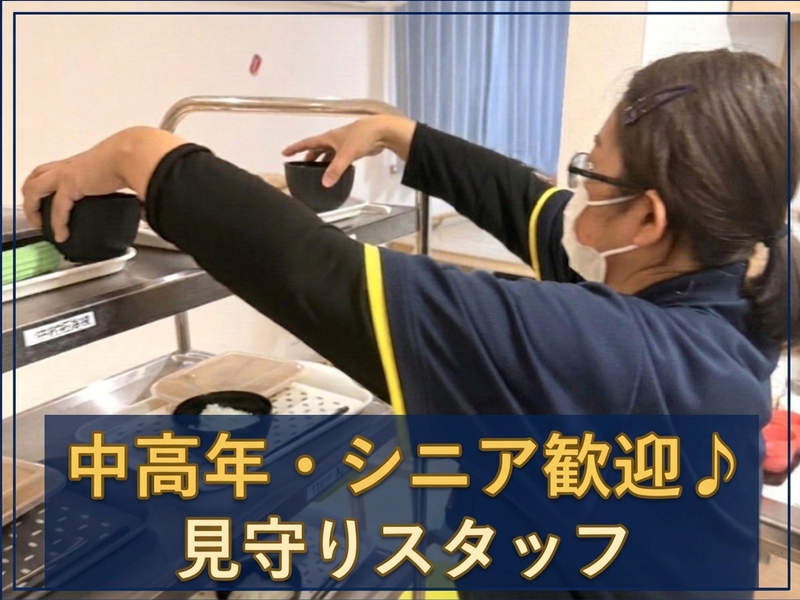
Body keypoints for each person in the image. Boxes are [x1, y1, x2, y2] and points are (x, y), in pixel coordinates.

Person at [22, 49, 799, 599]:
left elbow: (321, 277)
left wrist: (138, 153)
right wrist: (400, 135)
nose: (574, 197)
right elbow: (533, 209)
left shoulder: (631, 359)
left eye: (591, 172)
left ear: (650, 219)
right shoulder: (728, 279)